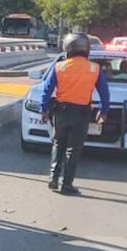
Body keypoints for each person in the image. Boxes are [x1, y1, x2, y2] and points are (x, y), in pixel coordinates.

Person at [39, 33, 111, 195]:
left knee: (58, 143)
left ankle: (53, 177)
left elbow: (46, 90)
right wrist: (103, 111)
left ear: (67, 48)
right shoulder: (94, 68)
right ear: (86, 49)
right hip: (81, 114)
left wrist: (44, 110)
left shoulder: (60, 67)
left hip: (61, 112)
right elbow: (105, 93)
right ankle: (67, 184)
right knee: (73, 149)